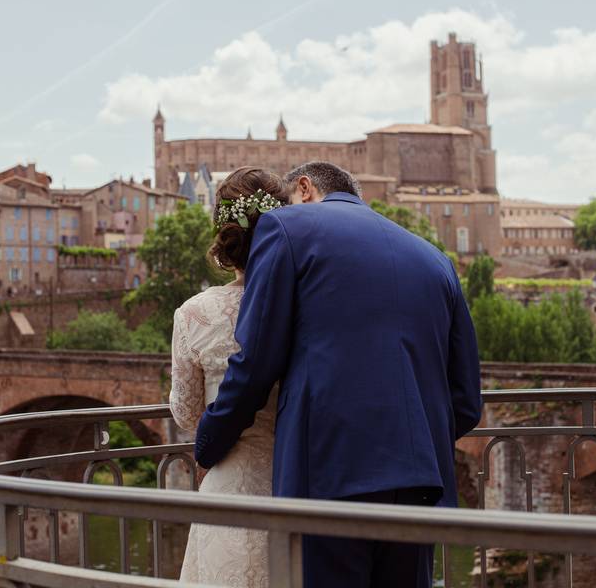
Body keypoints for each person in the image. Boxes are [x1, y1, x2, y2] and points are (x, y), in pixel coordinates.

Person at [194, 162, 483, 587]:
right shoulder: (435, 259)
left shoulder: (286, 227)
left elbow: (256, 362)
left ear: (305, 189)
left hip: (327, 474)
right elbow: (466, 401)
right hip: (418, 481)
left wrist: (210, 439)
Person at [170, 167, 289, 587]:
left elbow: (186, 414)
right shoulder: (306, 307)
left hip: (231, 487)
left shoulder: (194, 314)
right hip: (301, 486)